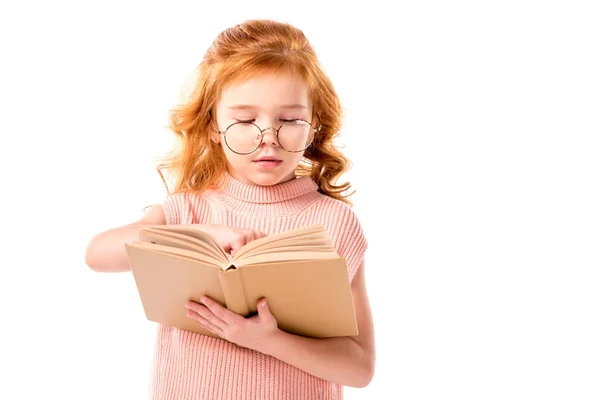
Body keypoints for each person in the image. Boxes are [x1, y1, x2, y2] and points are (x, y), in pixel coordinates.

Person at [84, 19, 375, 400]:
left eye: (289, 119)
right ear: (212, 126)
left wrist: (269, 340)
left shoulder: (333, 222)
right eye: (244, 120)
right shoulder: (188, 209)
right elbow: (97, 255)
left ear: (314, 124)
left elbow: (359, 368)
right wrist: (199, 234)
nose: (268, 137)